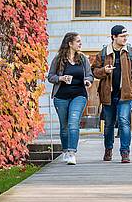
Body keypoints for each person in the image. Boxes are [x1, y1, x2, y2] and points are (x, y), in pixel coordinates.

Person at [91, 25, 132, 163]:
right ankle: (108, 149)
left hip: (125, 95)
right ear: (113, 37)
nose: (125, 38)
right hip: (108, 95)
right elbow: (94, 71)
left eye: (126, 36)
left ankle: (125, 152)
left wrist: (131, 87)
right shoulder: (103, 53)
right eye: (122, 36)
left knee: (124, 123)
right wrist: (104, 71)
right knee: (108, 125)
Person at [47, 32, 93, 165]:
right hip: (61, 97)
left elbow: (90, 75)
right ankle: (65, 150)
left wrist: (87, 81)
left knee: (73, 123)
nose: (80, 43)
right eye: (78, 41)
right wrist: (61, 78)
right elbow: (51, 76)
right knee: (64, 126)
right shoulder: (58, 59)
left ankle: (72, 153)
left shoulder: (83, 59)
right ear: (70, 43)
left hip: (79, 95)